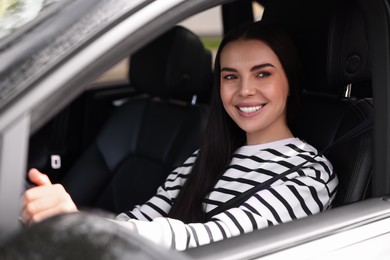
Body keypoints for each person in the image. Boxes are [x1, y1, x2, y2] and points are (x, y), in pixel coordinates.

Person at [21, 21, 338, 251]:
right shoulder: (207, 154)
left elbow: (215, 240)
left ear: (290, 81)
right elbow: (145, 216)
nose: (244, 91)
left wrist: (86, 227)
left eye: (263, 74)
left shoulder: (309, 174)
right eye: (230, 77)